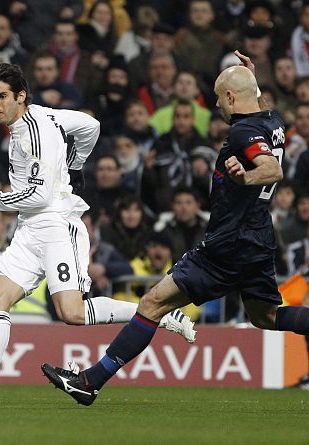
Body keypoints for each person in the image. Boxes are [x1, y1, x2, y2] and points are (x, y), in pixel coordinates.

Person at [41, 57, 304, 407]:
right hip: (258, 237)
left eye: (217, 97)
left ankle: (90, 381)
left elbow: (271, 169)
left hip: (227, 244)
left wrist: (245, 177)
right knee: (265, 316)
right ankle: (89, 380)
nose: (214, 105)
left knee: (152, 304)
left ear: (229, 97)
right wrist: (250, 77)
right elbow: (259, 105)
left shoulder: (242, 132)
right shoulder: (273, 120)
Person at [0, 63, 195, 406]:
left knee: (72, 313)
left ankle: (159, 314)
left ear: (21, 96)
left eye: (2, 96)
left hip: (57, 224)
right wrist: (76, 163)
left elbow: (39, 195)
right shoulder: (44, 116)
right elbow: (90, 125)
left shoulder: (34, 134)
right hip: (31, 228)